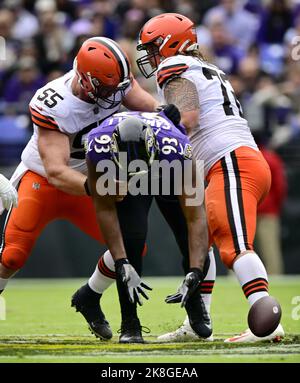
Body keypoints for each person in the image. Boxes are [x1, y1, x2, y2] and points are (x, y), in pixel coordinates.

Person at [136, 12, 284, 343]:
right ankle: (197, 323)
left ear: (169, 44)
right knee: (200, 245)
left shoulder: (174, 67)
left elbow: (186, 116)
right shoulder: (206, 68)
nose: (150, 57)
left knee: (235, 245)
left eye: (153, 48)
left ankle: (267, 322)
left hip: (229, 161)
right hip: (233, 161)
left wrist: (149, 128)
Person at [0, 36, 159, 311]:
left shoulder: (114, 83)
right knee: (12, 256)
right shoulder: (54, 102)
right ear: (87, 80)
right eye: (109, 88)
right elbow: (56, 171)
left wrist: (171, 117)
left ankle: (90, 295)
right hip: (43, 181)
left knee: (133, 246)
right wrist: (101, 187)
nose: (116, 95)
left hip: (91, 176)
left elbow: (151, 108)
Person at [80, 110, 211, 343]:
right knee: (132, 239)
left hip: (166, 168)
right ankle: (129, 323)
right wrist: (121, 262)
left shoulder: (178, 147)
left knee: (186, 235)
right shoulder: (97, 145)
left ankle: (194, 302)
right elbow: (104, 208)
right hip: (122, 176)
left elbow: (196, 216)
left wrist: (196, 271)